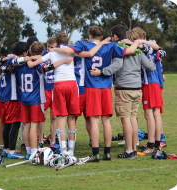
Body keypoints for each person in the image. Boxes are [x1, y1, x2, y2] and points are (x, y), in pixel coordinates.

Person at [51, 26, 141, 161]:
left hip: (91, 87)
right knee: (106, 121)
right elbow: (132, 51)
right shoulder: (110, 46)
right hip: (106, 87)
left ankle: (95, 154)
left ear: (90, 35)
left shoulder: (83, 44)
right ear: (102, 35)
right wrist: (137, 41)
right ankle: (108, 153)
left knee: (94, 121)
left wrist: (53, 49)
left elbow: (67, 50)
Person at [90, 26, 156, 159]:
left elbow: (117, 64)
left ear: (114, 36)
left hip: (124, 88)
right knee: (133, 119)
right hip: (137, 89)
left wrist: (101, 72)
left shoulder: (117, 47)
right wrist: (151, 61)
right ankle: (133, 149)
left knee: (126, 120)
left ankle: (129, 150)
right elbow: (150, 67)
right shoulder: (137, 49)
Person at [132, 27, 166, 154]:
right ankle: (157, 143)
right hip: (155, 82)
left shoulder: (143, 47)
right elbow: (162, 52)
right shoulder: (152, 47)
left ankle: (151, 144)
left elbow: (157, 51)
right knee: (156, 113)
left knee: (149, 115)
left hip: (148, 83)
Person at [38, 37, 57, 148]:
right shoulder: (44, 55)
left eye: (52, 47)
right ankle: (40, 140)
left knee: (54, 116)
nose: (50, 49)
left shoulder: (60, 55)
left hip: (55, 89)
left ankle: (53, 141)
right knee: (43, 116)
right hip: (44, 89)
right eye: (48, 47)